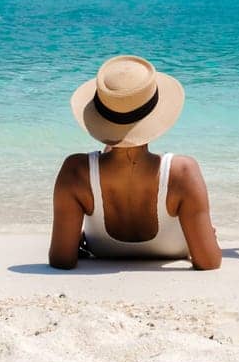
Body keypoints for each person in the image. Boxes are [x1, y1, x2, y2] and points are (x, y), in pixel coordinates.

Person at [49, 54, 222, 270]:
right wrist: (208, 238)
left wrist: (76, 238)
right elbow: (209, 262)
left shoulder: (76, 172)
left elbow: (61, 259)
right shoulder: (182, 172)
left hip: (101, 252)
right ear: (155, 116)